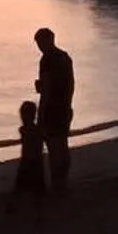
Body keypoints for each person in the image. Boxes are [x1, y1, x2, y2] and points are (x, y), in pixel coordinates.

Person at [33, 27, 75, 194]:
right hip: (65, 106)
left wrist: (40, 117)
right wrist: (68, 103)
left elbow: (47, 90)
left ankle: (57, 184)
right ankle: (63, 182)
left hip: (52, 109)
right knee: (62, 146)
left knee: (54, 147)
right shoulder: (65, 57)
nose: (39, 47)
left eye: (39, 43)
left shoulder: (47, 60)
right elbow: (71, 84)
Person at [7, 101, 47, 221]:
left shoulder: (27, 130)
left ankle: (35, 210)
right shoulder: (33, 129)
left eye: (24, 116)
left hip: (32, 161)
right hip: (31, 160)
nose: (23, 118)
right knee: (23, 186)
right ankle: (22, 207)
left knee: (29, 186)